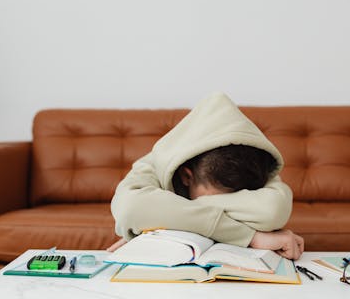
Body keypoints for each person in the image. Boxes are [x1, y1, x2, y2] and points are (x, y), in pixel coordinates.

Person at [109, 92, 304, 259]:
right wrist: (251, 237)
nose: (226, 203)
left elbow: (272, 210)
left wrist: (160, 219)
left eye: (237, 199)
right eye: (218, 198)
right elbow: (131, 208)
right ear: (187, 176)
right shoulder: (156, 162)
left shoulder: (254, 162)